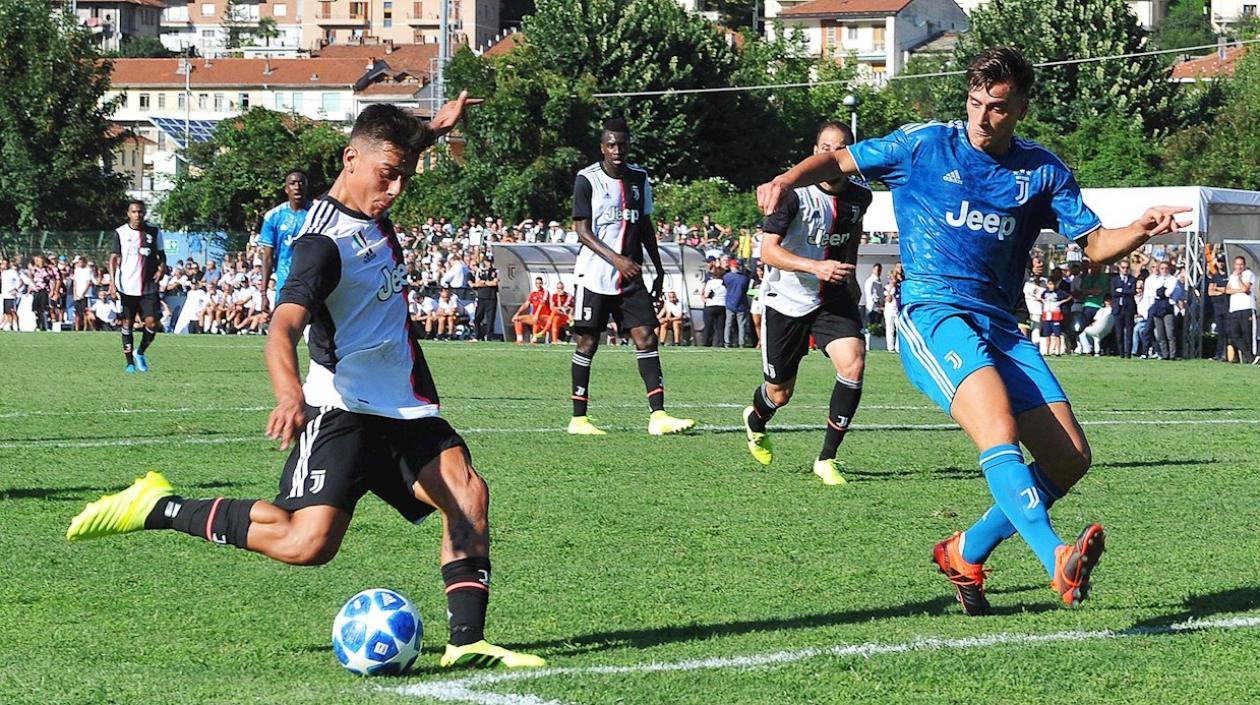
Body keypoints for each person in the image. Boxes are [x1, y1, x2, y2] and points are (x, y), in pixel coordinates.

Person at [67, 97, 544, 670]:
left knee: (467, 494)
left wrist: (432, 129)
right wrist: (289, 396)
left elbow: (394, 146)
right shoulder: (322, 245)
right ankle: (157, 507)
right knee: (306, 543)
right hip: (340, 409)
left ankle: (466, 642)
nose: (395, 190)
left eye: (404, 177)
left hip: (404, 407)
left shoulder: (371, 198)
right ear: (350, 160)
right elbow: (282, 327)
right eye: (387, 177)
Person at [756, 46, 1189, 613]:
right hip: (933, 314)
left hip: (1002, 326)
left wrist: (1138, 229)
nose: (983, 117)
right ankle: (1056, 558)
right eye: (976, 102)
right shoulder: (924, 145)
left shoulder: (1042, 171)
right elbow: (837, 162)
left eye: (999, 108)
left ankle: (966, 551)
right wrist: (785, 180)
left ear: (1023, 108)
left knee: (1070, 459)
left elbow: (1096, 245)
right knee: (999, 429)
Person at [744, 121, 872, 486]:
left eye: (838, 148)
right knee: (780, 394)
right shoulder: (789, 193)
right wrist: (816, 266)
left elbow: (852, 235)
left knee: (854, 364)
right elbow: (768, 251)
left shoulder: (861, 195)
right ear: (814, 151)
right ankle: (755, 420)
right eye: (823, 147)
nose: (829, 154)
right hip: (786, 301)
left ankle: (827, 458)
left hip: (831, 299)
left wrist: (851, 278)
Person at [566, 117, 695, 436]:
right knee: (588, 341)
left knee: (647, 336)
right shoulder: (587, 179)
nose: (617, 150)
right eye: (611, 145)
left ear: (628, 146)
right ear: (602, 147)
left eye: (622, 144)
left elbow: (645, 225)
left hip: (631, 275)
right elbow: (582, 231)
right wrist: (617, 259)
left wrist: (659, 267)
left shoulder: (640, 179)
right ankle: (579, 418)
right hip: (595, 275)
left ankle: (658, 415)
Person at [110, 200, 167, 372]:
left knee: (152, 323)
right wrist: (113, 284)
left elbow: (162, 255)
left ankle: (140, 352)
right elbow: (113, 259)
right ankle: (129, 364)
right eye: (134, 212)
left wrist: (162, 268)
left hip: (148, 286)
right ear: (128, 213)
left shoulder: (154, 232)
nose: (137, 215)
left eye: (140, 212)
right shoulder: (120, 233)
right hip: (126, 286)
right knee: (127, 323)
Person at [257, 170, 311, 311]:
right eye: (293, 183)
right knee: (286, 328)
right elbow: (267, 257)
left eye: (301, 183)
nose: (297, 186)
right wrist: (263, 293)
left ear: (306, 187)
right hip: (285, 279)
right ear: (286, 189)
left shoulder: (317, 214)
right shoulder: (273, 216)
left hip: (312, 278)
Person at [1143, 260, 1177, 360]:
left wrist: (1161, 292)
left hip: (1167, 307)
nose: (1164, 270)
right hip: (1157, 306)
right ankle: (1164, 354)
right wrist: (1161, 292)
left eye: (1166, 268)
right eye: (1162, 268)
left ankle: (1172, 354)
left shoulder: (1173, 279)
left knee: (1170, 333)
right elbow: (1153, 293)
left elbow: (1168, 292)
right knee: (1160, 333)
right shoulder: (1155, 279)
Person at [1225, 255, 1256, 364]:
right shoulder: (1232, 276)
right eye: (1237, 264)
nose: (1239, 267)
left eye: (1241, 264)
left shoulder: (1248, 274)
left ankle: (1249, 358)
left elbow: (1245, 288)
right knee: (1233, 333)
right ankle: (1250, 356)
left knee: (1247, 334)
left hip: (1246, 307)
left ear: (1244, 265)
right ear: (1234, 265)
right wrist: (1239, 290)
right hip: (1234, 308)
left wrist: (1239, 279)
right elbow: (1228, 290)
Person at [1109, 259, 1137, 359]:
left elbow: (1132, 292)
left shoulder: (1132, 279)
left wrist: (1121, 290)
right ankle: (1121, 353)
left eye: (1127, 268)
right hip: (1118, 308)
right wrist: (1125, 291)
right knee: (1119, 332)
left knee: (1129, 331)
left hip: (1128, 308)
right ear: (1119, 268)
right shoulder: (1114, 280)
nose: (1125, 270)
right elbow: (1113, 293)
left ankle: (1128, 353)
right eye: (1123, 267)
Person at [723, 257, 752, 348]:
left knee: (728, 324)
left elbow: (725, 285)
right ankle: (741, 342)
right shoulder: (744, 278)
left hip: (730, 303)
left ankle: (727, 342)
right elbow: (746, 289)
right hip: (741, 303)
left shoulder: (727, 277)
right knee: (741, 325)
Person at [511, 277, 549, 344]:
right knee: (517, 319)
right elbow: (526, 304)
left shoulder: (545, 292)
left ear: (542, 283)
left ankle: (535, 339)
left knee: (536, 320)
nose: (538, 285)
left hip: (544, 316)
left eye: (540, 283)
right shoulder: (533, 293)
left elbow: (542, 304)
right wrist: (517, 313)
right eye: (537, 283)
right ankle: (519, 340)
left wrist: (536, 315)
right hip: (534, 316)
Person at [1206, 256, 1230, 361]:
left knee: (1228, 331)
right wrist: (1222, 291)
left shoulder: (1229, 275)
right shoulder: (1215, 277)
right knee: (1220, 331)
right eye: (1219, 262)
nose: (1221, 264)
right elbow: (1210, 292)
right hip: (1218, 307)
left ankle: (1228, 354)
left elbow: (1229, 289)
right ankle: (1219, 354)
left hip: (1228, 306)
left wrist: (1218, 289)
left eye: (1223, 262)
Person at [470, 257, 499, 341]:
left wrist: (485, 282)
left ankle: (489, 336)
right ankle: (477, 335)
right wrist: (488, 283)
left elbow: (495, 283)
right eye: (487, 262)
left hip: (491, 298)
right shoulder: (480, 271)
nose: (489, 264)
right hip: (481, 297)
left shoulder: (495, 271)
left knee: (490, 319)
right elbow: (477, 283)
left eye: (490, 262)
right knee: (478, 317)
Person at [701, 257, 727, 347]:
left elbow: (706, 295)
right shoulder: (724, 283)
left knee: (708, 326)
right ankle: (719, 343)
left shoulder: (710, 282)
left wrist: (704, 298)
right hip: (722, 305)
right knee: (720, 327)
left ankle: (706, 342)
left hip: (711, 305)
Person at [863, 262, 885, 347]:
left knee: (876, 325)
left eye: (879, 270)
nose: (878, 272)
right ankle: (869, 344)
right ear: (873, 270)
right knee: (871, 325)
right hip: (873, 308)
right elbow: (873, 296)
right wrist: (880, 305)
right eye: (877, 270)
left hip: (878, 308)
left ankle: (874, 344)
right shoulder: (871, 281)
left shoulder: (878, 281)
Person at [884, 262, 904, 353]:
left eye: (901, 267)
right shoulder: (890, 281)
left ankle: (898, 347)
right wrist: (893, 283)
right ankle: (890, 347)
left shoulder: (903, 280)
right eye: (898, 267)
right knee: (889, 326)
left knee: (899, 326)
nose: (899, 269)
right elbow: (888, 296)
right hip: (890, 306)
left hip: (899, 306)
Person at [1, 258, 20, 331]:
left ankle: (17, 326)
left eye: (5, 264)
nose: (4, 265)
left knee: (13, 311)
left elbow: (19, 280)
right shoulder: (3, 273)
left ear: (8, 264)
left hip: (11, 296)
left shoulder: (12, 272)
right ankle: (11, 326)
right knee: (8, 313)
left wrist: (15, 289)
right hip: (5, 295)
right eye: (3, 263)